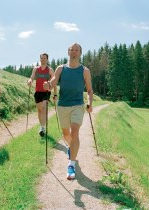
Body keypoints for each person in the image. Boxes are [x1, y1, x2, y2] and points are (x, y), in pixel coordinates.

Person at [43, 43, 93, 180]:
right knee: (66, 133)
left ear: (80, 53)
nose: (74, 52)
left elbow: (89, 90)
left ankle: (71, 164)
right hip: (62, 105)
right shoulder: (61, 68)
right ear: (68, 52)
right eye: (72, 50)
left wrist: (89, 102)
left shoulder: (84, 71)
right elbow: (53, 82)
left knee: (75, 131)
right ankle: (72, 149)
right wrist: (48, 85)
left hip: (77, 105)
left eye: (77, 50)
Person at [27, 53, 57, 137]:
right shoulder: (36, 69)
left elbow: (54, 82)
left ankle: (43, 128)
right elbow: (32, 77)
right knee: (39, 110)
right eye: (41, 58)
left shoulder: (50, 70)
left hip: (46, 92)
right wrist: (30, 81)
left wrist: (55, 94)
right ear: (40, 59)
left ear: (47, 59)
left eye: (44, 58)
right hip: (38, 92)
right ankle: (41, 126)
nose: (43, 59)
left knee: (44, 108)